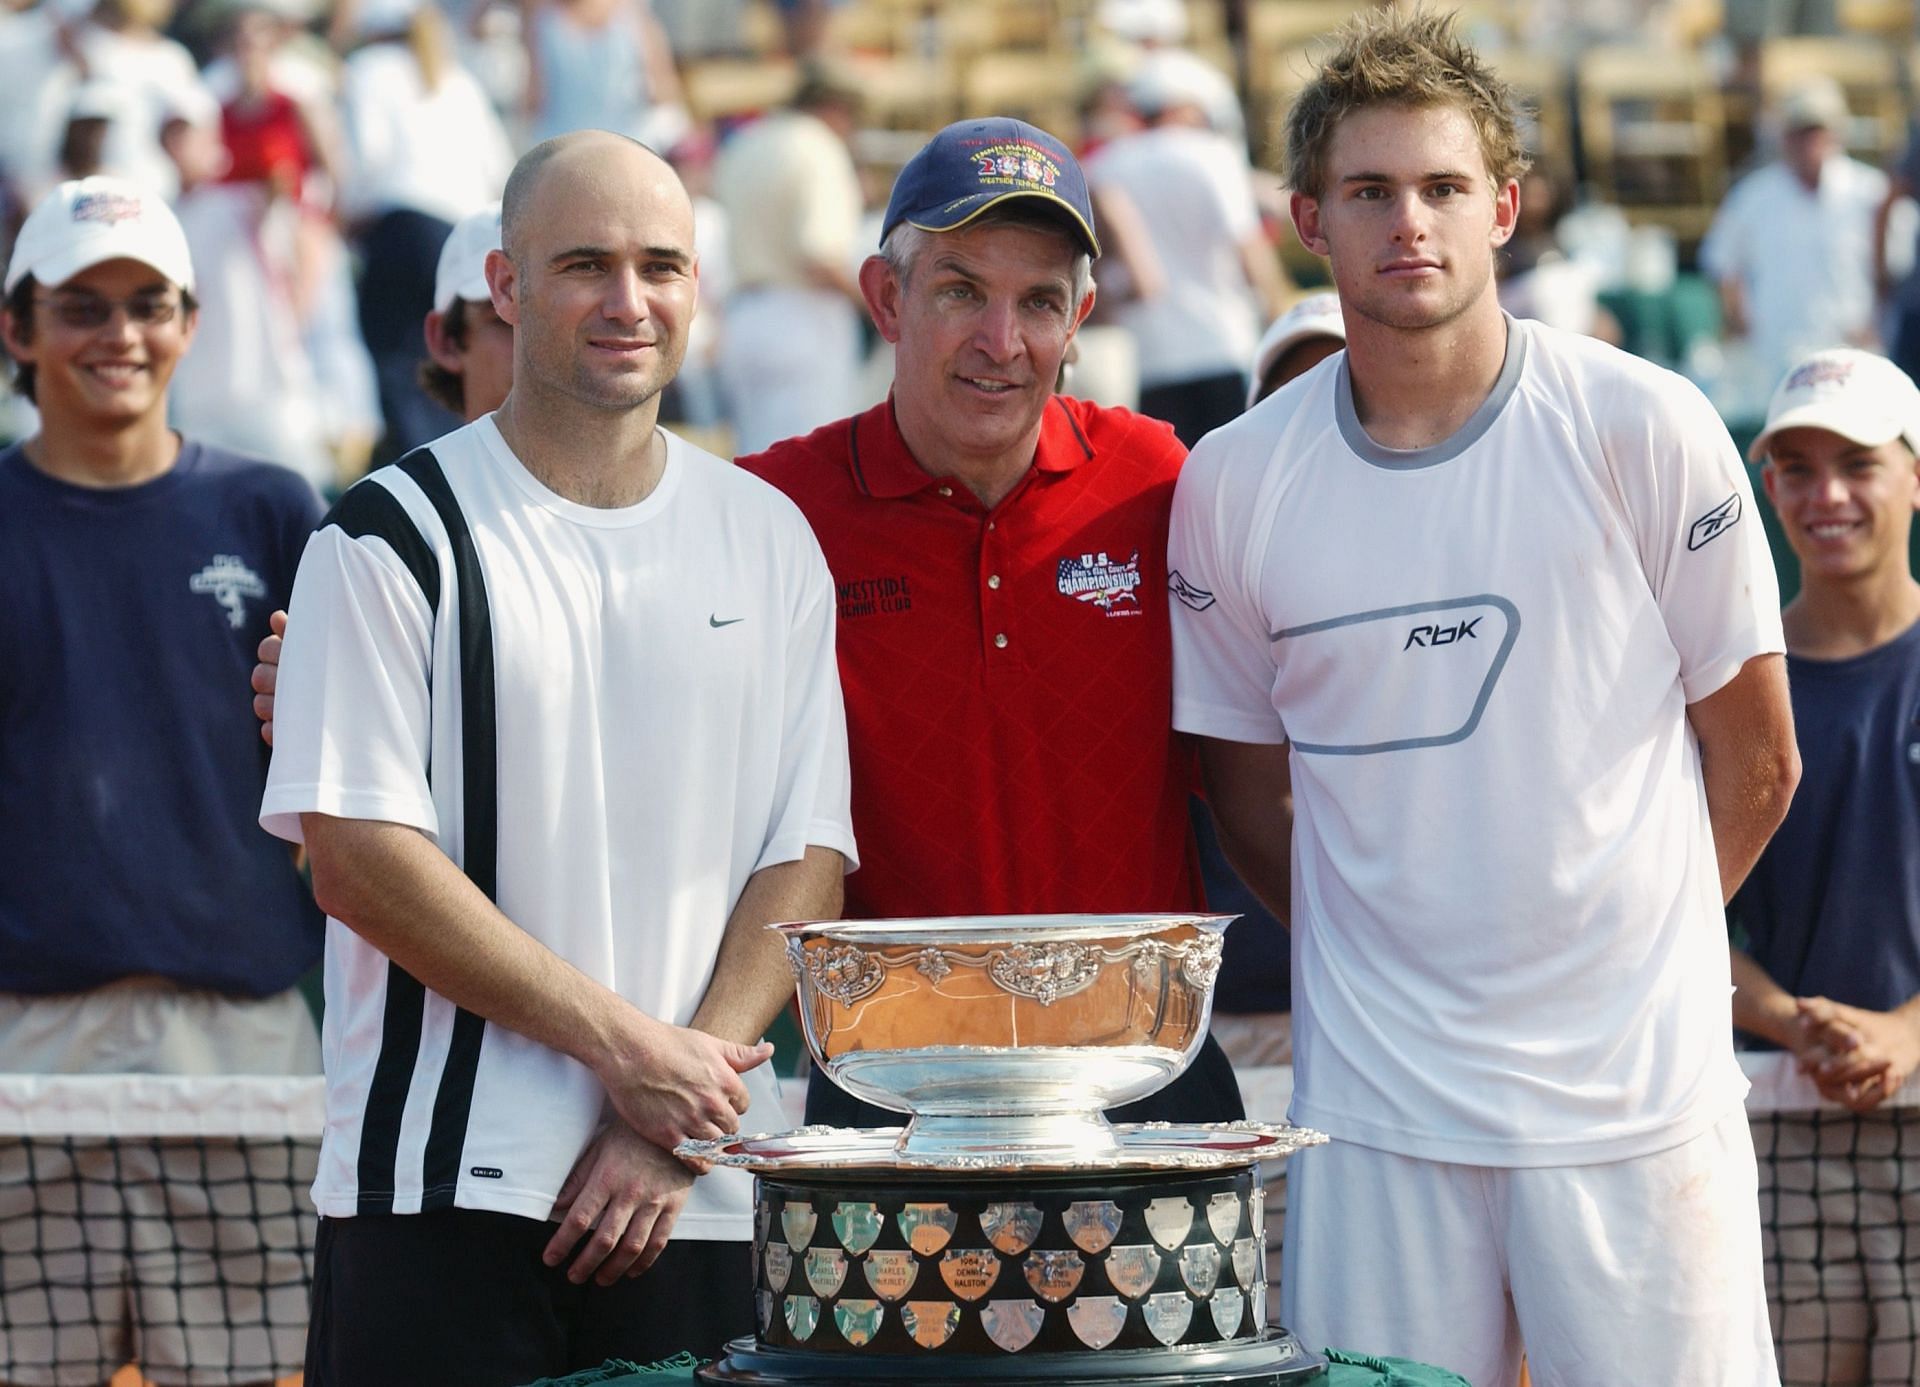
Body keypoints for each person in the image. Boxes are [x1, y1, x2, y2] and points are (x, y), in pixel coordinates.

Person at [1166, 13, 1798, 1385]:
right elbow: (1242, 793)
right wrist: (1397, 942)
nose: (1413, 223)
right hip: (1378, 1116)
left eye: (1446, 188)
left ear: (1503, 207)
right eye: (1372, 192)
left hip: (1638, 1107)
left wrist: (1639, 943)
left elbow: (1758, 761)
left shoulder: (1646, 422)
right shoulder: (1232, 476)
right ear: (1304, 222)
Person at [259, 131, 855, 1386]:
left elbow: (805, 859)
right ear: (509, 285)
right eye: (585, 263)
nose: (628, 301)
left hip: (697, 1190)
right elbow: (357, 860)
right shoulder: (379, 537)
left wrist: (673, 1119)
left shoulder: (772, 539)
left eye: (661, 265)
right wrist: (632, 1055)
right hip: (437, 1191)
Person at [736, 116, 1244, 1132]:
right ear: (888, 297)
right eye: (962, 290)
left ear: (1082, 315)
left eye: (1040, 302)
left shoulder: (1161, 483)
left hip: (1143, 1085)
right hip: (889, 1095)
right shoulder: (773, 511)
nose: (1001, 343)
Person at [0, 176, 324, 1384]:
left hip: (241, 1047)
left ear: (190, 323)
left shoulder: (274, 508)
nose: (120, 335)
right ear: (18, 327)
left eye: (149, 303)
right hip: (22, 1051)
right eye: (82, 305)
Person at [1730, 346, 1920, 1384]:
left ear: (1916, 474)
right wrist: (1792, 1023)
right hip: (1781, 1137)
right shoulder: (1732, 686)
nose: (1827, 493)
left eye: (1858, 461)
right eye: (1796, 468)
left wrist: (1906, 1030)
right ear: (1768, 489)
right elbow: (1681, 920)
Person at [1087, 59, 1288, 446]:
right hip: (1223, 346)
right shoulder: (1213, 156)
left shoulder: (1103, 167)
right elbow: (1251, 255)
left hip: (1150, 358)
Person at [711, 62, 864, 455]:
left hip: (743, 316)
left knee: (754, 467)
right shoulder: (818, 147)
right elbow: (820, 256)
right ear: (836, 108)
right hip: (802, 319)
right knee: (806, 471)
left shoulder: (745, 143)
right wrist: (876, 308)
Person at [1702, 76, 1887, 389]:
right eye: (1798, 131)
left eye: (1815, 130)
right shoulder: (1753, 197)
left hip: (1855, 358)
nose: (1807, 141)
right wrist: (1742, 326)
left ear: (1835, 133)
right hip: (1778, 362)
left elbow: (1897, 268)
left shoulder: (1870, 193)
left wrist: (1878, 323)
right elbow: (1723, 265)